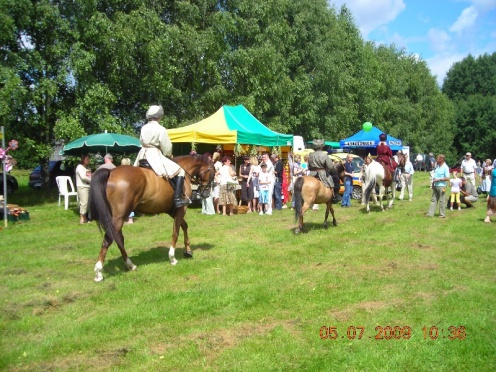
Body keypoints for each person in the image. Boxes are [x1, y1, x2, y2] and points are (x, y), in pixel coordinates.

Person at [134, 105, 189, 208]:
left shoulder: (144, 127)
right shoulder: (160, 128)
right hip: (154, 154)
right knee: (180, 171)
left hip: (142, 154)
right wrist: (169, 154)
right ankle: (177, 199)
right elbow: (166, 146)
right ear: (160, 116)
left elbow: (141, 141)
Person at [76, 154, 92, 224]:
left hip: (88, 186)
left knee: (88, 203)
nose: (88, 160)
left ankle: (86, 218)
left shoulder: (87, 168)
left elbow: (89, 176)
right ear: (83, 160)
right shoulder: (79, 167)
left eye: (89, 159)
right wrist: (91, 180)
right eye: (87, 159)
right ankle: (82, 218)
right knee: (84, 202)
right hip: (82, 186)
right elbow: (83, 177)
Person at [120, 157, 135, 223]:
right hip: (130, 189)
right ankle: (130, 219)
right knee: (130, 203)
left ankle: (125, 218)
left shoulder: (119, 170)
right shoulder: (132, 170)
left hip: (122, 189)